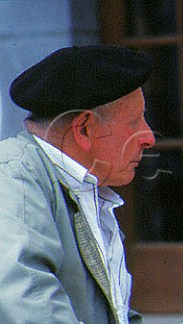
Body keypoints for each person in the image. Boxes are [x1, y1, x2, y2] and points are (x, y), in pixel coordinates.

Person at [0, 45, 155, 323]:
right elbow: (29, 303)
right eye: (134, 122)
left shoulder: (84, 186)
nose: (148, 137)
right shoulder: (13, 175)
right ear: (84, 128)